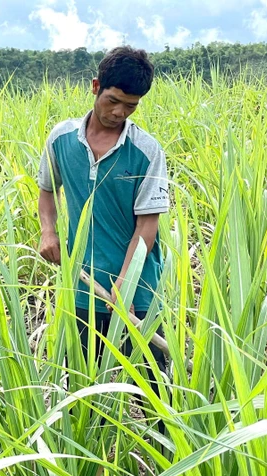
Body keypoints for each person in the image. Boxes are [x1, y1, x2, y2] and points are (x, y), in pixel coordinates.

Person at [35, 46, 170, 387]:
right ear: (96, 86)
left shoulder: (146, 151)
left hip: (137, 292)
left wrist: (126, 282)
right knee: (85, 389)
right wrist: (48, 232)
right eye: (113, 100)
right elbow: (48, 190)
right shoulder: (61, 139)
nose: (119, 111)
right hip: (81, 286)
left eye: (131, 105)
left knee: (157, 392)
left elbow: (147, 225)